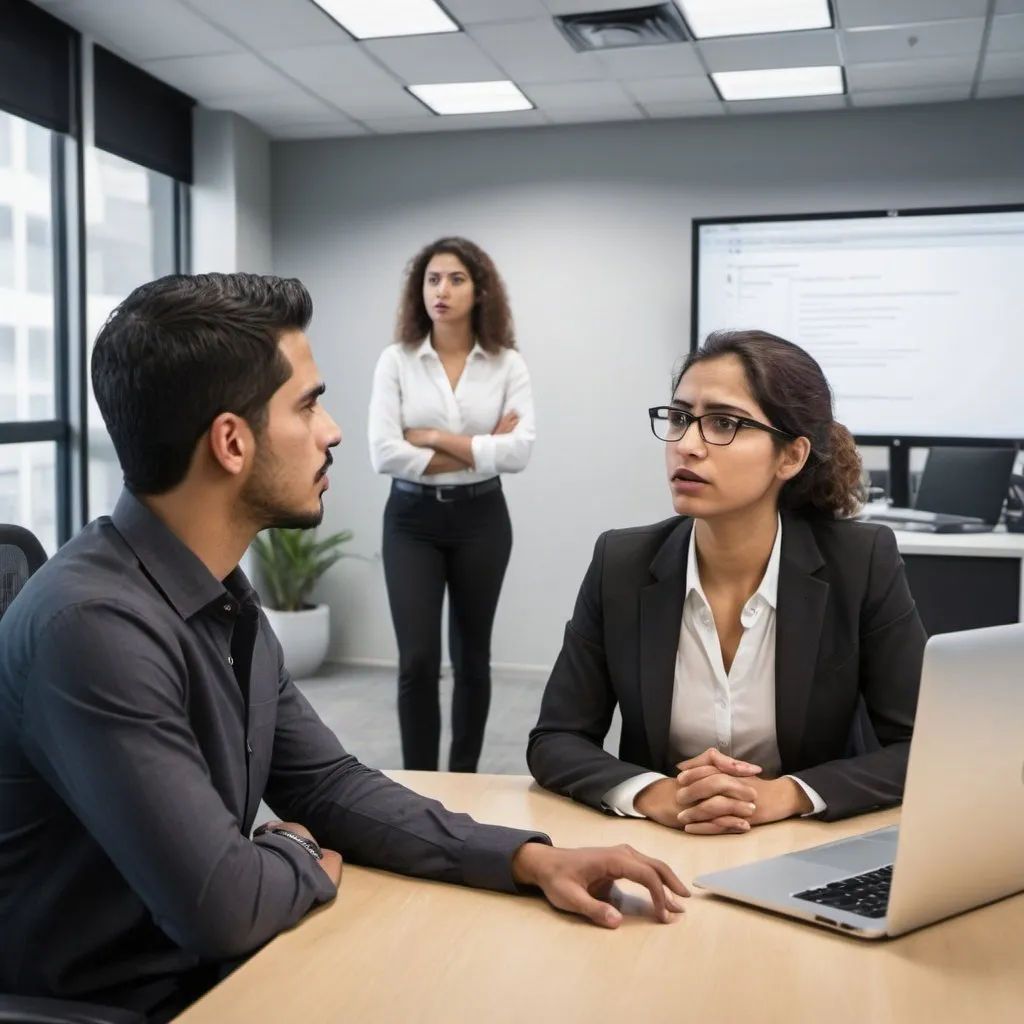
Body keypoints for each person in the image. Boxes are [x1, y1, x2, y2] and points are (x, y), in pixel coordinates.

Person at [0, 274, 685, 1023]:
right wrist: (294, 850)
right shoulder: (92, 627)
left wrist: (529, 859)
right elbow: (222, 906)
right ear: (231, 441)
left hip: (234, 973)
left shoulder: (216, 592)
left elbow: (327, 786)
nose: (330, 432)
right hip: (138, 1005)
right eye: (308, 404)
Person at [528, 329, 926, 834]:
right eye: (679, 418)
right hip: (663, 846)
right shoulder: (621, 563)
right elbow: (556, 739)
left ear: (791, 457)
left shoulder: (860, 561)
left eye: (723, 423)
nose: (687, 446)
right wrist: (654, 793)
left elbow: (922, 747)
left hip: (807, 848)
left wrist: (785, 795)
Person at [368, 237, 535, 773]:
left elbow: (520, 451)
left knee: (472, 660)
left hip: (481, 520)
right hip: (411, 521)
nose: (442, 290)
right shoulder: (396, 361)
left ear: (479, 289)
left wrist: (431, 436)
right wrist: (480, 444)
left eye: (456, 279)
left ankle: (463, 778)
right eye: (433, 279)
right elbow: (383, 453)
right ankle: (417, 780)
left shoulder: (507, 364)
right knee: (417, 660)